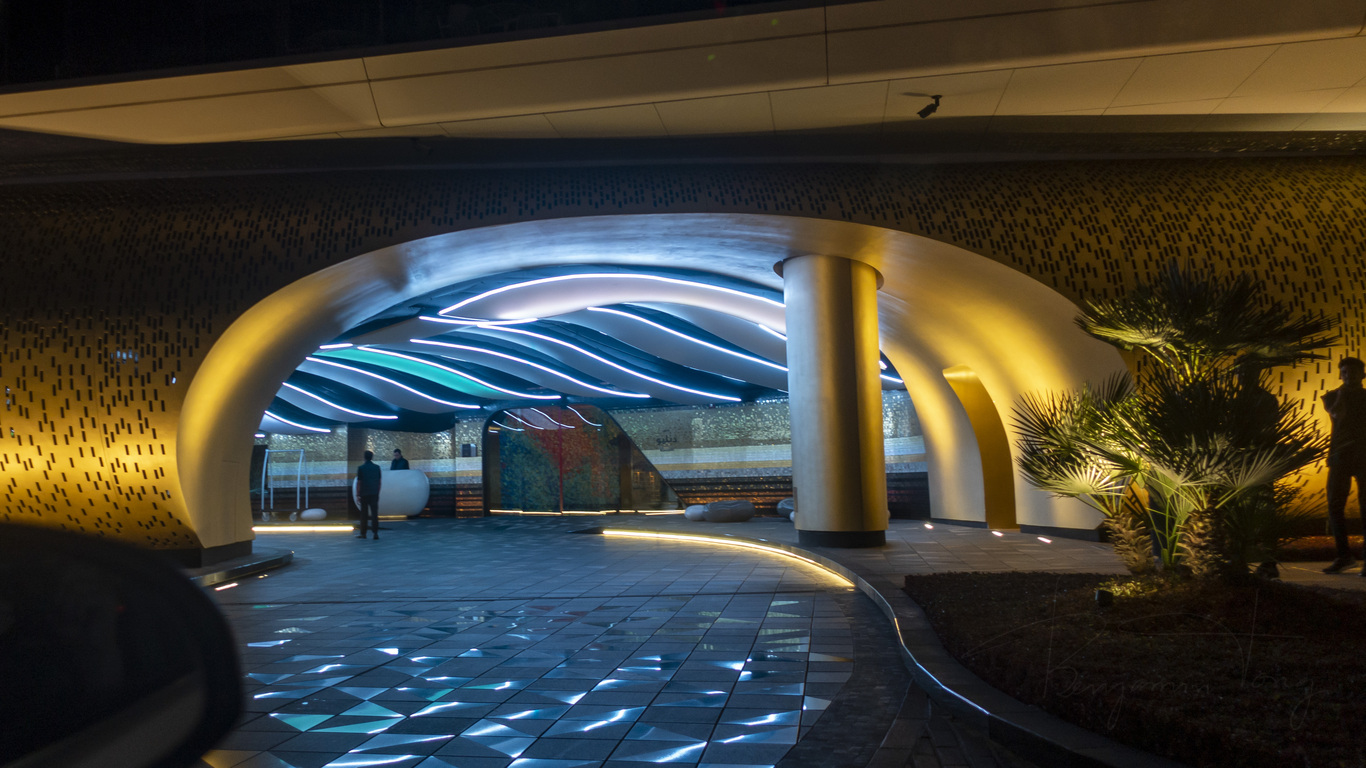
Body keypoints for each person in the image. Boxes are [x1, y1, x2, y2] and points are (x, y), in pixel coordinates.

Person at [1322, 356, 1366, 574]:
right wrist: (1341, 394)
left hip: (1364, 456)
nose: (1349, 376)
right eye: (1345, 373)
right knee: (1335, 505)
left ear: (1363, 374)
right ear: (1340, 375)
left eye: (1354, 372)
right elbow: (1337, 414)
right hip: (1340, 456)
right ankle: (1343, 555)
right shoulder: (1332, 396)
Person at [356, 450, 382, 540]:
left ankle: (363, 533)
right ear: (372, 457)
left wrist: (358, 494)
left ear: (364, 457)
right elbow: (379, 482)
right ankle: (375, 533)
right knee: (374, 514)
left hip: (364, 493)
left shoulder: (361, 468)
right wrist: (377, 492)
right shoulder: (377, 468)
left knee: (364, 514)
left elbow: (359, 482)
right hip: (374, 493)